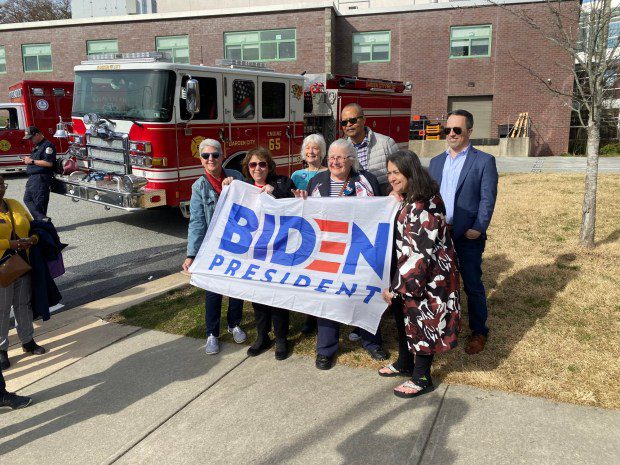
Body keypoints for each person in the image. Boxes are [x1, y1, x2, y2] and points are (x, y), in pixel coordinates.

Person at [294, 138, 388, 370]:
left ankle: (371, 341)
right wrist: (301, 203)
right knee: (328, 297)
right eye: (332, 157)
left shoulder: (367, 181)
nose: (335, 161)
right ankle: (326, 349)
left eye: (340, 157)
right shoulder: (317, 182)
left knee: (365, 292)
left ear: (351, 160)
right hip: (328, 251)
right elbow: (308, 216)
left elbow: (381, 211)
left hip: (361, 250)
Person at [381, 150, 461, 398]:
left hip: (428, 278)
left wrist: (396, 287)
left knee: (424, 322)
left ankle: (422, 377)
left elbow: (418, 254)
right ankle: (405, 362)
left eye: (396, 172)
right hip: (413, 272)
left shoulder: (424, 206)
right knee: (403, 316)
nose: (391, 177)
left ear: (410, 171)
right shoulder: (413, 197)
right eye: (389, 172)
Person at [428, 110, 498, 355]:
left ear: (469, 131)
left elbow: (487, 199)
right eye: (447, 129)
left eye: (457, 130)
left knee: (472, 284)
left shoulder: (483, 161)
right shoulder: (436, 162)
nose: (451, 134)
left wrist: (478, 228)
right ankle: (445, 328)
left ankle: (479, 331)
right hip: (438, 236)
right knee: (441, 285)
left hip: (467, 236)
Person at [182, 139, 247, 355]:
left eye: (215, 155)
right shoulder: (199, 187)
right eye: (206, 156)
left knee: (235, 287)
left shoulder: (236, 178)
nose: (211, 159)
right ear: (201, 159)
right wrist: (192, 254)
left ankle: (234, 323)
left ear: (222, 155)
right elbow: (197, 222)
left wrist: (235, 187)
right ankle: (212, 333)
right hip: (213, 248)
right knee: (213, 291)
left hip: (237, 245)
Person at [237, 147, 295, 360]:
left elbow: (296, 205)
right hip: (255, 252)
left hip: (279, 250)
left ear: (269, 166)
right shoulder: (243, 189)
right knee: (258, 295)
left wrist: (275, 193)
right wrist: (227, 186)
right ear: (247, 168)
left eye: (262, 164)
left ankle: (281, 338)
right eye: (253, 165)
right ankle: (262, 336)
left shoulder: (282, 183)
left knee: (277, 295)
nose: (258, 168)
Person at [0, 175, 46, 371]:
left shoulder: (14, 204)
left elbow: (32, 225)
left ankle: (27, 341)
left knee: (23, 304)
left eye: (2, 183)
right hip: (2, 267)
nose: (1, 187)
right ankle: (1, 350)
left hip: (21, 263)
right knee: (2, 309)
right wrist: (8, 244)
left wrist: (34, 238)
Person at [341, 103, 398, 194]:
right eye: (344, 122)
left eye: (352, 120)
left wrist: (395, 191)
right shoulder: (341, 149)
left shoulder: (386, 143)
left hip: (382, 201)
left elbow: (401, 175)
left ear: (363, 120)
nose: (348, 125)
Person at [22, 126, 56, 221]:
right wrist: (28, 160)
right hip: (33, 178)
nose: (30, 140)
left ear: (37, 134)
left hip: (41, 178)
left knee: (39, 203)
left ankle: (43, 225)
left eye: (31, 138)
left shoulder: (47, 146)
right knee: (27, 199)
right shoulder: (38, 146)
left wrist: (32, 161)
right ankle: (42, 219)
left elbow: (49, 163)